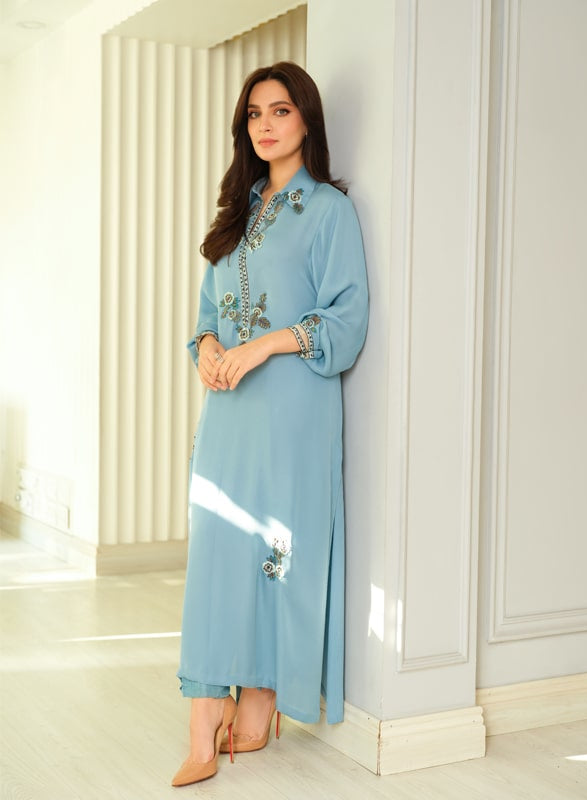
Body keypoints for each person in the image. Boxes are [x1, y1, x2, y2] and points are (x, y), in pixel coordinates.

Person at [172, 61, 368, 787]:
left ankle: (259, 699)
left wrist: (263, 345)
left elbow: (346, 320)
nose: (265, 124)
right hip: (229, 412)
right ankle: (205, 719)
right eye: (254, 114)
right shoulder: (239, 211)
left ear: (306, 119)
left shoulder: (329, 211)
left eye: (280, 110)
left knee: (275, 554)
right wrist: (208, 347)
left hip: (292, 413)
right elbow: (206, 315)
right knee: (218, 555)